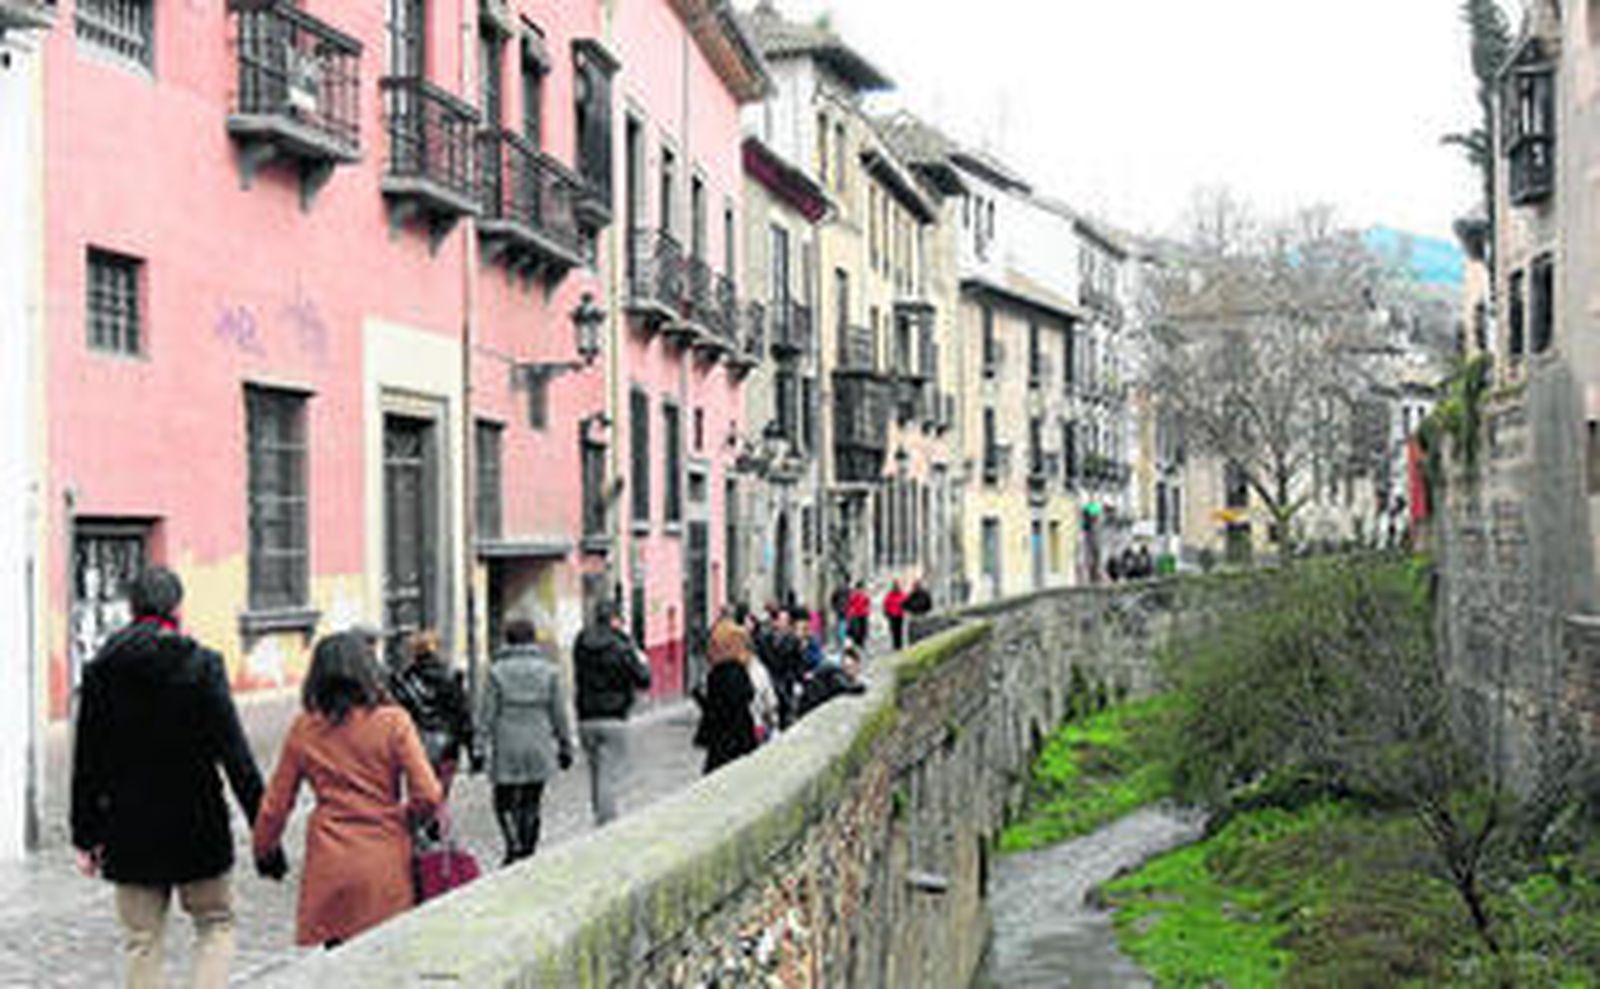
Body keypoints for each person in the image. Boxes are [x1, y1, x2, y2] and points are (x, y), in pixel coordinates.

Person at [70, 567, 272, 989]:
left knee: (142, 941)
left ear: (132, 608)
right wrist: (263, 829)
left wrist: (85, 835)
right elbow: (236, 756)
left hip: (130, 829)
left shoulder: (101, 671)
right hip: (196, 824)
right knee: (215, 924)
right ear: (177, 607)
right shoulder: (202, 665)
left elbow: (88, 763)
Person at [253, 632, 442, 949]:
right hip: (385, 858)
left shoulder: (304, 728)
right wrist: (405, 816)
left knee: (339, 963)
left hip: (330, 861)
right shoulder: (394, 723)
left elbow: (276, 805)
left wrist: (264, 848)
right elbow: (429, 795)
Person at [478, 619, 573, 865]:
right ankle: (529, 849)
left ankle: (513, 846)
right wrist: (565, 745)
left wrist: (479, 745)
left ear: (507, 640)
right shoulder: (549, 671)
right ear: (533, 640)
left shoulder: (496, 671)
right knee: (532, 800)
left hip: (507, 741)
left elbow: (487, 713)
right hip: (539, 740)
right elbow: (559, 713)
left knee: (503, 799)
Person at [572, 599, 652, 826]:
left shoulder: (582, 641)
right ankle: (606, 824)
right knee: (609, 775)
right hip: (614, 717)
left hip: (586, 717)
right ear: (615, 620)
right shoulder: (622, 645)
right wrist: (638, 656)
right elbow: (643, 679)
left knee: (596, 772)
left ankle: (600, 816)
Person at [388, 629, 475, 799]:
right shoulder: (451, 677)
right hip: (448, 746)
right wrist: (471, 748)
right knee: (441, 793)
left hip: (415, 743)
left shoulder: (405, 680)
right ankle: (437, 821)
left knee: (419, 790)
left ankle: (424, 820)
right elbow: (463, 714)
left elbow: (397, 714)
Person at [693, 638, 758, 774]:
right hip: (742, 736)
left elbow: (714, 709)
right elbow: (750, 694)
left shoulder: (716, 675)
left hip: (721, 739)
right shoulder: (740, 670)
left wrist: (700, 698)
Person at [797, 643, 868, 718]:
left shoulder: (834, 668)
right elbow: (846, 687)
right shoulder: (836, 673)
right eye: (848, 667)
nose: (852, 670)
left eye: (853, 667)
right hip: (810, 706)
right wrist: (861, 686)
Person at [883, 580, 908, 651]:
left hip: (899, 615)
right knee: (894, 630)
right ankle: (896, 645)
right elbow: (886, 604)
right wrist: (886, 612)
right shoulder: (889, 595)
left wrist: (904, 609)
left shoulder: (902, 594)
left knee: (899, 630)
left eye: (896, 586)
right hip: (892, 615)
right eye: (894, 587)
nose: (895, 588)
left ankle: (899, 645)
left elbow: (906, 602)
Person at [846, 581, 871, 648]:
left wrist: (867, 611)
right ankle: (857, 644)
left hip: (863, 614)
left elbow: (867, 604)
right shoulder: (853, 596)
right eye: (860, 588)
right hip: (856, 615)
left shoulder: (865, 596)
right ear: (857, 588)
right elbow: (850, 605)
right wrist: (850, 613)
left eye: (862, 588)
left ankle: (861, 644)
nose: (861, 590)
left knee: (864, 630)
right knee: (857, 630)